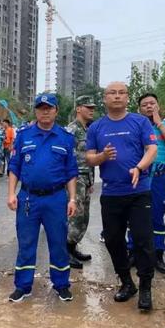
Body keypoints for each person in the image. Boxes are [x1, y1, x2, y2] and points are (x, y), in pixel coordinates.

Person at [86, 82, 158, 311]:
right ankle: (127, 282)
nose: (117, 96)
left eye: (121, 93)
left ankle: (146, 287)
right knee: (113, 239)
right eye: (111, 93)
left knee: (143, 239)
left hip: (138, 192)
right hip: (111, 193)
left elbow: (152, 149)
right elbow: (89, 158)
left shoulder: (140, 121)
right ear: (104, 99)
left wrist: (139, 167)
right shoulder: (96, 127)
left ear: (127, 98)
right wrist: (103, 156)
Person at [7, 93, 78, 302]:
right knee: (26, 242)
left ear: (56, 111)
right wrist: (11, 193)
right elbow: (14, 167)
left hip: (56, 198)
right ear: (35, 111)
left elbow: (71, 172)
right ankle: (23, 286)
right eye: (40, 108)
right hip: (28, 198)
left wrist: (72, 199)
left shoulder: (65, 138)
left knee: (58, 242)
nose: (45, 111)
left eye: (49, 108)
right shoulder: (23, 136)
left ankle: (61, 284)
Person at [135, 93, 165, 275]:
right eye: (145, 104)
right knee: (136, 217)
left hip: (160, 178)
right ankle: (134, 253)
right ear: (139, 109)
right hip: (140, 176)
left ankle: (157, 254)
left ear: (158, 106)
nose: (149, 107)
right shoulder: (135, 126)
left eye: (152, 103)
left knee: (157, 218)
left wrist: (159, 123)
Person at [65, 96, 96, 269]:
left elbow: (89, 157)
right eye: (87, 107)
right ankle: (66, 251)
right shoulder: (72, 130)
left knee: (83, 217)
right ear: (78, 109)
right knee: (74, 216)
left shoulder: (87, 130)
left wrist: (91, 180)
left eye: (92, 107)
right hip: (75, 179)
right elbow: (66, 157)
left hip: (86, 177)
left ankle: (73, 247)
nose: (91, 110)